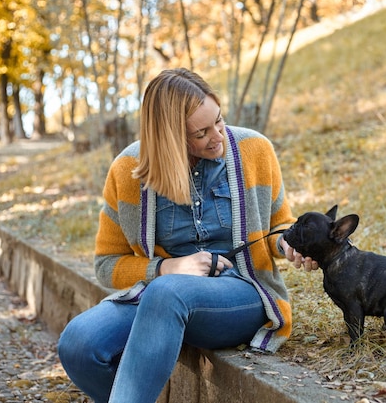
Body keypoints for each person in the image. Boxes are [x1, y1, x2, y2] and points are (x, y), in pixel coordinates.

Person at [57, 68, 317, 403]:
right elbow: (107, 265)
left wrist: (287, 244)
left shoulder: (255, 150)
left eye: (219, 121)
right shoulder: (128, 171)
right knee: (78, 344)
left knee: (168, 294)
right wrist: (167, 268)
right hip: (158, 297)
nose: (218, 136)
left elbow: (279, 225)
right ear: (171, 138)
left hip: (242, 292)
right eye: (202, 132)